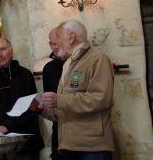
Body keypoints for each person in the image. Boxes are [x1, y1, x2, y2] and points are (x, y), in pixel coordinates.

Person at [31, 20, 114, 160]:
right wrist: (41, 109)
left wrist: (59, 99)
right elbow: (62, 111)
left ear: (71, 38)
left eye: (58, 36)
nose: (54, 43)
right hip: (68, 148)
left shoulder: (98, 59)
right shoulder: (68, 65)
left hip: (93, 149)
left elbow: (101, 99)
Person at [0, 37, 44, 160]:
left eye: (3, 49)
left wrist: (6, 127)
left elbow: (29, 107)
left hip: (23, 145)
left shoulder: (24, 75)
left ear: (11, 51)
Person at [42, 28, 65, 160]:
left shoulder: (83, 64)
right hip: (59, 130)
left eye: (56, 43)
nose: (54, 47)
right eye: (51, 43)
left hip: (84, 131)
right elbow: (50, 106)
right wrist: (40, 108)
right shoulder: (49, 69)